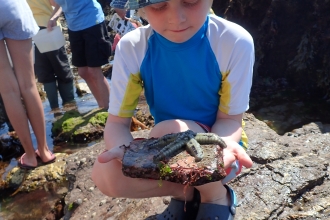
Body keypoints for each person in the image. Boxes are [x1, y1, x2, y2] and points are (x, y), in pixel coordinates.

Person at [92, 0, 254, 219]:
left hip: (220, 149)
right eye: (159, 6)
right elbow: (117, 123)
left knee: (167, 130)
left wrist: (224, 149)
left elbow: (230, 120)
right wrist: (130, 154)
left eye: (191, 1)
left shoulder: (233, 41)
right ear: (141, 9)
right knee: (105, 174)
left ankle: (215, 196)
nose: (176, 18)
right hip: (166, 151)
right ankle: (186, 194)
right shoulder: (132, 47)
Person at [0, 0, 56, 169]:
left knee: (8, 91)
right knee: (28, 85)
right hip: (11, 5)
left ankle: (30, 156)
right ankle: (44, 151)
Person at [49, 0, 111, 109]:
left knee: (94, 70)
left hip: (92, 20)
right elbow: (61, 3)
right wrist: (54, 17)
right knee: (83, 72)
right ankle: (101, 106)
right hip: (74, 26)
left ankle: (110, 110)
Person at [27, 0, 75, 110]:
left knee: (46, 71)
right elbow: (60, 3)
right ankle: (69, 107)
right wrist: (54, 18)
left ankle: (56, 109)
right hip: (44, 28)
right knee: (59, 68)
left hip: (35, 30)